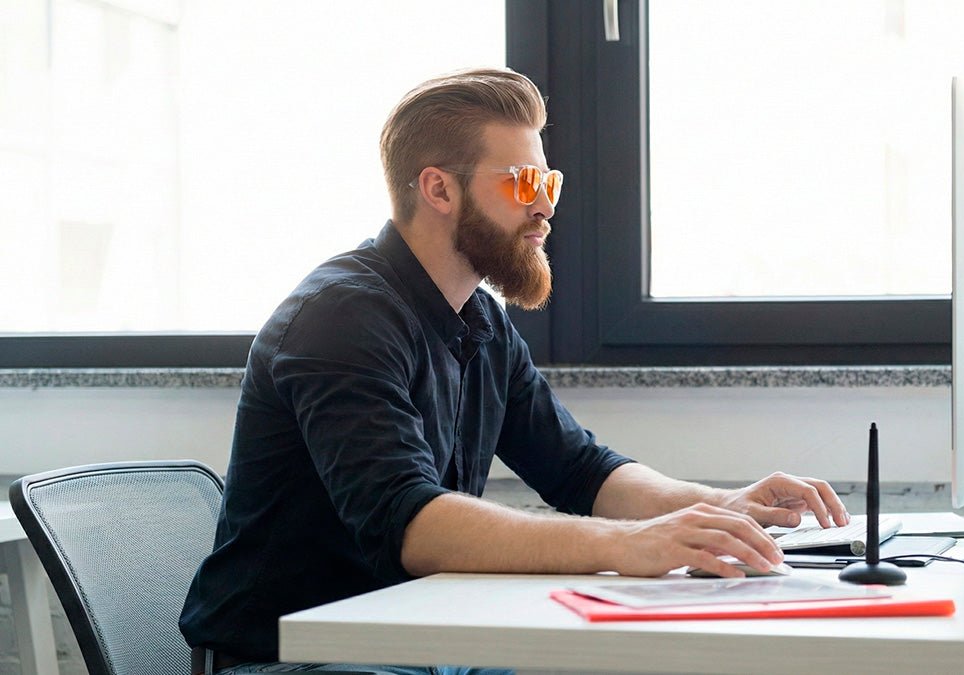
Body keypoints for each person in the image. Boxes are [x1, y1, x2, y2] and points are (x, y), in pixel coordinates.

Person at [179, 67, 849, 675]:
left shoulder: (480, 319)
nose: (547, 206)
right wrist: (632, 544)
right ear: (439, 188)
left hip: (408, 643)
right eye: (525, 182)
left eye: (548, 181)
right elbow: (414, 526)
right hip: (293, 661)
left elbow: (581, 469)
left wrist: (719, 506)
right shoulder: (341, 318)